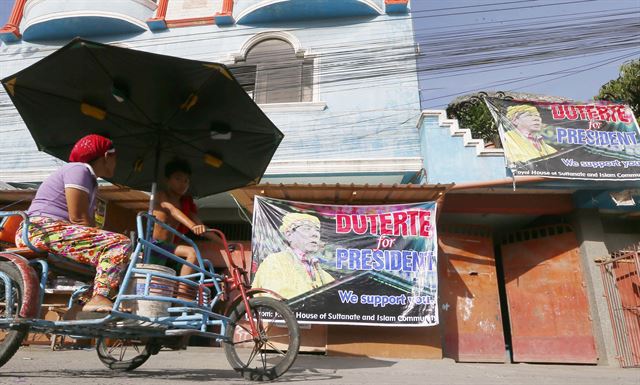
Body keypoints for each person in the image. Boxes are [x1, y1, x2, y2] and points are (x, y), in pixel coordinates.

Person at [15, 134, 131, 313]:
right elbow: (78, 218)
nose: (117, 164)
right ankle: (100, 297)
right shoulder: (79, 169)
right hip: (40, 229)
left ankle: (82, 307)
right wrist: (108, 241)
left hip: (51, 231)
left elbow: (87, 225)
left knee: (112, 258)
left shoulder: (90, 180)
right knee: (119, 243)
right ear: (107, 156)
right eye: (116, 158)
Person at [150, 159, 226, 281]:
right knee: (192, 253)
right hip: (155, 245)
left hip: (170, 248)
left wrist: (225, 244)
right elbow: (172, 210)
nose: (183, 184)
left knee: (195, 267)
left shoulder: (184, 205)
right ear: (167, 180)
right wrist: (192, 226)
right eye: (178, 179)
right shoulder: (161, 196)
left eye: (186, 181)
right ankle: (182, 293)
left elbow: (203, 228)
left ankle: (186, 294)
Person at [252, 213, 334, 299]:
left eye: (317, 230)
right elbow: (274, 297)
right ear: (288, 234)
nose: (315, 234)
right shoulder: (275, 262)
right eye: (307, 229)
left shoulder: (322, 273)